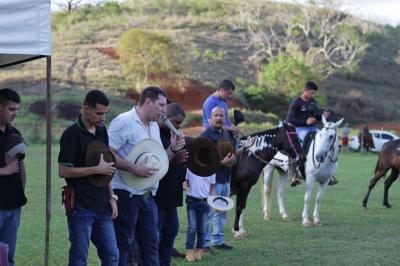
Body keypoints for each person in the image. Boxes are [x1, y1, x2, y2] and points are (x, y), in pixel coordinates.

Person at [108, 86, 185, 266]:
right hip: (126, 195)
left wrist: (173, 149)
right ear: (147, 102)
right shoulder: (123, 121)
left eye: (165, 106)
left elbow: (158, 162)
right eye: (161, 105)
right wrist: (134, 168)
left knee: (151, 246)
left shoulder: (153, 127)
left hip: (147, 195)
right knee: (124, 246)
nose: (164, 110)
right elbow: (107, 154)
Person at [58, 90, 119, 266]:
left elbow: (106, 167)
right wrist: (95, 169)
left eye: (105, 113)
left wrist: (112, 197)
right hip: (80, 207)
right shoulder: (71, 134)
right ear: (85, 108)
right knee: (79, 259)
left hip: (103, 206)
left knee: (112, 256)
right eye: (99, 113)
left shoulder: (102, 130)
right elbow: (63, 171)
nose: (103, 118)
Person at [286, 81, 337, 186]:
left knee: (324, 139)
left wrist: (323, 116)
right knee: (301, 141)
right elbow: (290, 119)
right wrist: (305, 122)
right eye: (312, 93)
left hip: (313, 129)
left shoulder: (313, 101)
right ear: (305, 91)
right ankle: (295, 172)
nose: (313, 95)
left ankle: (328, 174)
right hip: (300, 129)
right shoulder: (296, 102)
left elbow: (317, 115)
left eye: (314, 93)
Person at [156, 102, 188, 265]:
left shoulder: (173, 136)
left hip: (171, 195)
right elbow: (156, 164)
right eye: (176, 122)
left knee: (170, 232)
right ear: (165, 117)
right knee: (154, 237)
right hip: (158, 196)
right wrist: (174, 158)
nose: (178, 127)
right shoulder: (155, 134)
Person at [201, 106, 236, 250]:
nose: (219, 118)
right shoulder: (205, 136)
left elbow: (231, 154)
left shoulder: (227, 135)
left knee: (221, 211)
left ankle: (217, 240)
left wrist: (235, 156)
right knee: (209, 213)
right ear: (210, 118)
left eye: (222, 116)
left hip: (225, 178)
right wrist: (222, 163)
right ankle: (204, 243)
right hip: (211, 181)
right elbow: (201, 160)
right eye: (216, 115)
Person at [0, 88, 27, 266]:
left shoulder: (15, 133)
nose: (15, 113)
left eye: (17, 109)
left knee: (7, 258)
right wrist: (3, 171)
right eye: (11, 109)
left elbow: (21, 166)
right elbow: (9, 169)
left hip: (14, 205)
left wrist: (21, 191)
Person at [184, 169, 216, 262]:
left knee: (202, 228)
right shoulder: (190, 169)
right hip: (192, 202)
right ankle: (190, 250)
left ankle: (199, 250)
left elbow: (213, 187)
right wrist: (185, 185)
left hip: (205, 203)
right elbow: (187, 182)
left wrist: (214, 202)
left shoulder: (211, 170)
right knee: (192, 228)